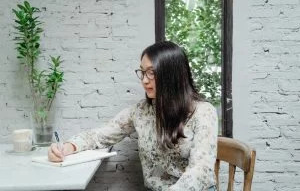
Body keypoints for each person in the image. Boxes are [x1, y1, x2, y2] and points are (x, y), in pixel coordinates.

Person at [48, 41, 218, 191]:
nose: (144, 80)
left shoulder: (203, 112)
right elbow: (101, 134)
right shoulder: (141, 111)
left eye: (151, 73)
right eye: (143, 72)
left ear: (171, 75)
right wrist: (68, 147)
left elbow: (201, 171)